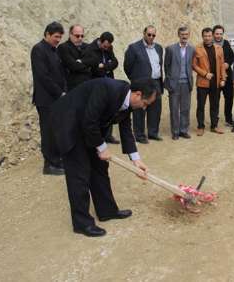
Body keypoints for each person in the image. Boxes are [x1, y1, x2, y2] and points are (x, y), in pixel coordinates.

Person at [50, 78, 157, 237]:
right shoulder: (108, 90)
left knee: (99, 168)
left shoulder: (127, 101)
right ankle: (82, 223)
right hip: (70, 124)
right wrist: (102, 147)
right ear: (137, 94)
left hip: (88, 127)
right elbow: (89, 121)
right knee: (79, 173)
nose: (144, 108)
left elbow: (125, 128)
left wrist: (136, 160)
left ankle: (107, 211)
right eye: (146, 103)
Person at [30, 21, 66, 175]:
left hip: (56, 98)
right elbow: (43, 76)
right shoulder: (38, 50)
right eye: (56, 37)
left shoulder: (53, 50)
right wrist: (60, 93)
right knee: (48, 131)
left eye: (59, 37)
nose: (58, 40)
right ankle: (49, 165)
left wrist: (64, 90)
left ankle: (57, 160)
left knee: (56, 130)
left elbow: (60, 73)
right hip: (45, 99)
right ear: (47, 34)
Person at [124, 25, 164, 144]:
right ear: (144, 33)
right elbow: (127, 67)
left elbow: (159, 65)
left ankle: (153, 133)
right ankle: (140, 135)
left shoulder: (159, 48)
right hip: (141, 83)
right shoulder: (134, 48)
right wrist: (136, 80)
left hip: (155, 82)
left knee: (156, 108)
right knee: (139, 108)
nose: (151, 37)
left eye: (153, 35)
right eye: (149, 34)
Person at [82, 31, 120, 144]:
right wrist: (106, 66)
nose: (106, 48)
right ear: (100, 41)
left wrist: (104, 65)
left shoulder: (109, 48)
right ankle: (98, 136)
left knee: (109, 109)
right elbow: (93, 68)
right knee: (97, 110)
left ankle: (108, 135)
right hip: (97, 83)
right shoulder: (90, 49)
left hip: (109, 81)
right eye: (104, 46)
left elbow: (115, 62)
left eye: (108, 46)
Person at [192, 27, 226, 136]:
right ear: (202, 36)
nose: (207, 38)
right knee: (201, 105)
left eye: (209, 36)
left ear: (212, 36)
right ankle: (200, 126)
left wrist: (223, 79)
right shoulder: (197, 48)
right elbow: (194, 65)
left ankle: (214, 126)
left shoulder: (219, 48)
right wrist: (205, 74)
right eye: (205, 36)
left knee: (215, 105)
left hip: (215, 82)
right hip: (202, 82)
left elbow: (222, 65)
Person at [164, 26, 195, 140]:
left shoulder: (192, 49)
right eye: (182, 34)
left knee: (185, 108)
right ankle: (175, 132)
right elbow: (166, 66)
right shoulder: (170, 49)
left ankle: (183, 130)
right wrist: (169, 82)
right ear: (178, 35)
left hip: (187, 83)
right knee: (174, 108)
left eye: (186, 34)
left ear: (189, 35)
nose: (184, 36)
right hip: (174, 84)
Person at [213, 25, 234, 126]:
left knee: (229, 98)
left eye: (220, 34)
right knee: (215, 99)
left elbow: (232, 56)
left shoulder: (226, 43)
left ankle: (229, 119)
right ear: (213, 34)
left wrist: (228, 63)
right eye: (217, 34)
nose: (218, 36)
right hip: (215, 77)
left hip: (227, 76)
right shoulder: (210, 45)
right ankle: (215, 119)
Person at [57, 24, 91, 90]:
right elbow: (73, 66)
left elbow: (95, 61)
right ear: (70, 35)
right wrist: (88, 66)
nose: (80, 38)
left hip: (88, 85)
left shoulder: (88, 47)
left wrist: (82, 62)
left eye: (82, 36)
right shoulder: (63, 47)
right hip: (72, 86)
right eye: (77, 36)